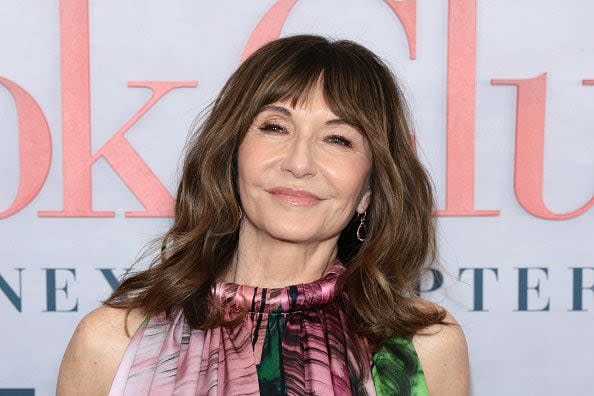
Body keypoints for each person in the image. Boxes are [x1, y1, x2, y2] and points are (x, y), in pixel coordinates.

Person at [56, 33, 469, 395]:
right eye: (275, 127)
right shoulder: (111, 343)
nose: (299, 162)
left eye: (338, 139)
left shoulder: (420, 348)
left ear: (369, 191)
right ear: (230, 157)